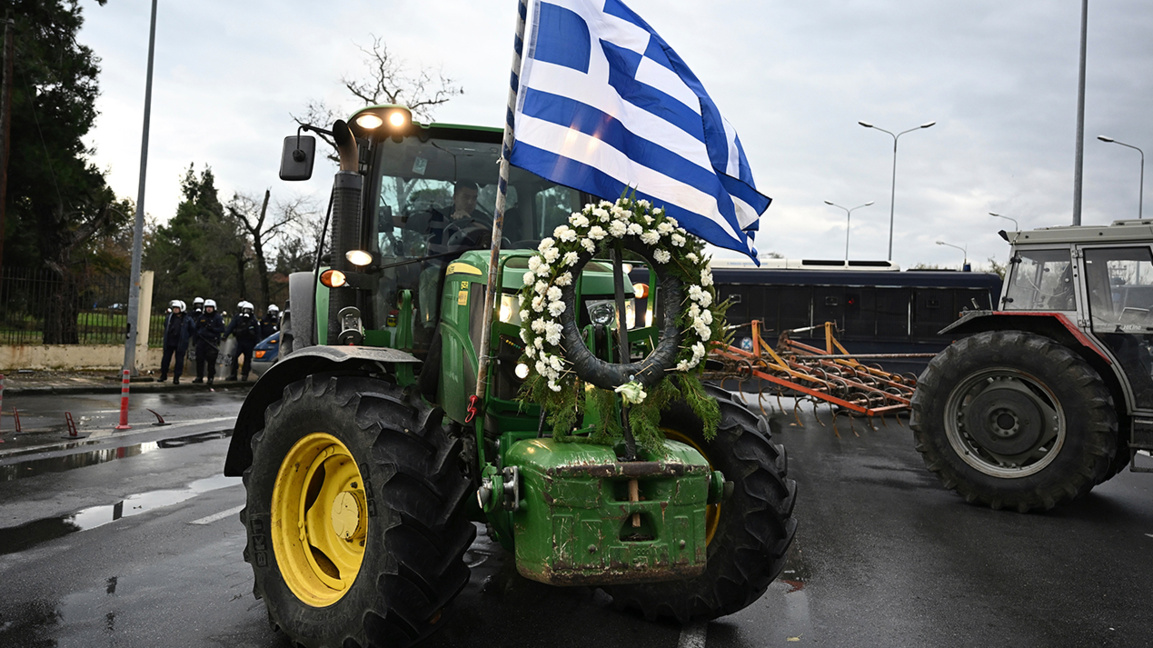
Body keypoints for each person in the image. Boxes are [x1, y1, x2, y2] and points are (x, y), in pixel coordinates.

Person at [223, 300, 260, 381]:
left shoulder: (253, 320)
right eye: (245, 310)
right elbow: (231, 326)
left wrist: (257, 343)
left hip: (249, 342)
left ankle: (245, 374)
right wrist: (225, 335)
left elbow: (258, 332)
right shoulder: (238, 318)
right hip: (239, 341)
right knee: (234, 356)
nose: (247, 312)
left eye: (248, 310)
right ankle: (233, 374)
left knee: (247, 359)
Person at [191, 298, 225, 385]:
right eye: (207, 307)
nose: (209, 309)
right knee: (199, 360)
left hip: (211, 342)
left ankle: (210, 378)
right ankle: (199, 377)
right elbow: (196, 329)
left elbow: (222, 329)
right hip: (201, 342)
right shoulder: (201, 317)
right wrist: (195, 340)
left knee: (211, 362)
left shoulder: (218, 318)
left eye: (210, 307)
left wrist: (212, 329)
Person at [158, 300, 190, 384]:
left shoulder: (187, 319)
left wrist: (185, 337)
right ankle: (163, 375)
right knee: (165, 359)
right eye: (174, 308)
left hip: (180, 343)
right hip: (169, 342)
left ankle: (176, 378)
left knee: (179, 361)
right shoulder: (169, 317)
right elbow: (165, 326)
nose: (175, 310)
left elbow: (191, 329)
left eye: (177, 308)